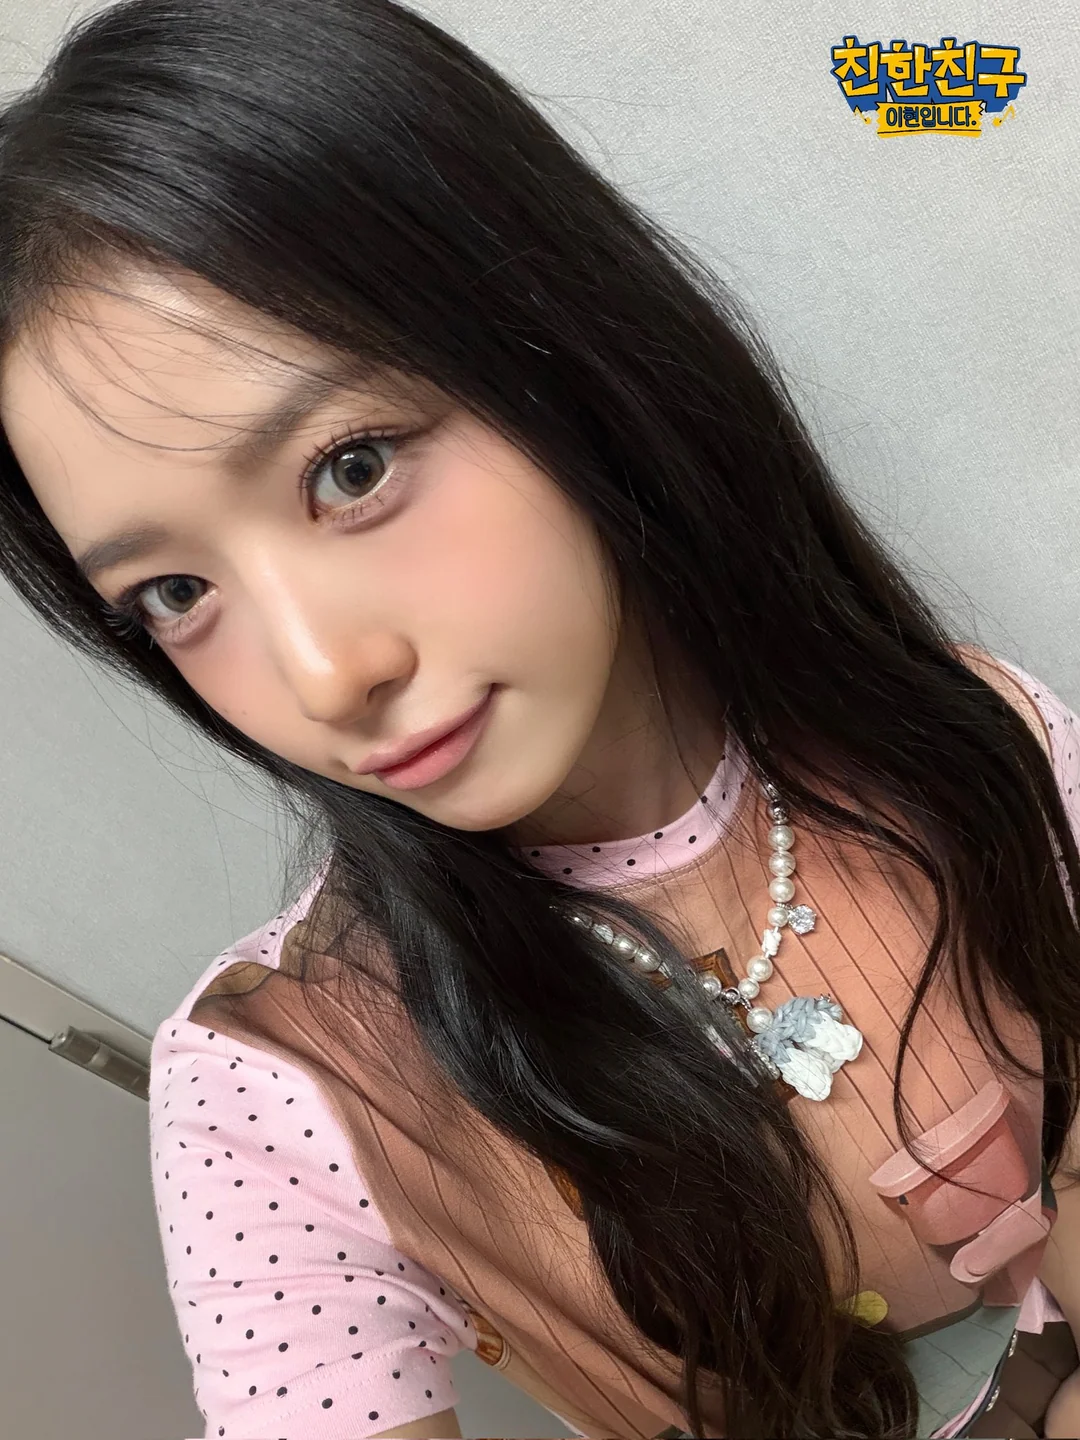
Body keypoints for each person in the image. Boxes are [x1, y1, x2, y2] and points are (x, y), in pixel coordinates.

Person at [0, 1, 1077, 1436]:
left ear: (565, 348)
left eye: (352, 467)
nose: (324, 675)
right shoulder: (277, 1096)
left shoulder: (969, 737)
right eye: (176, 592)